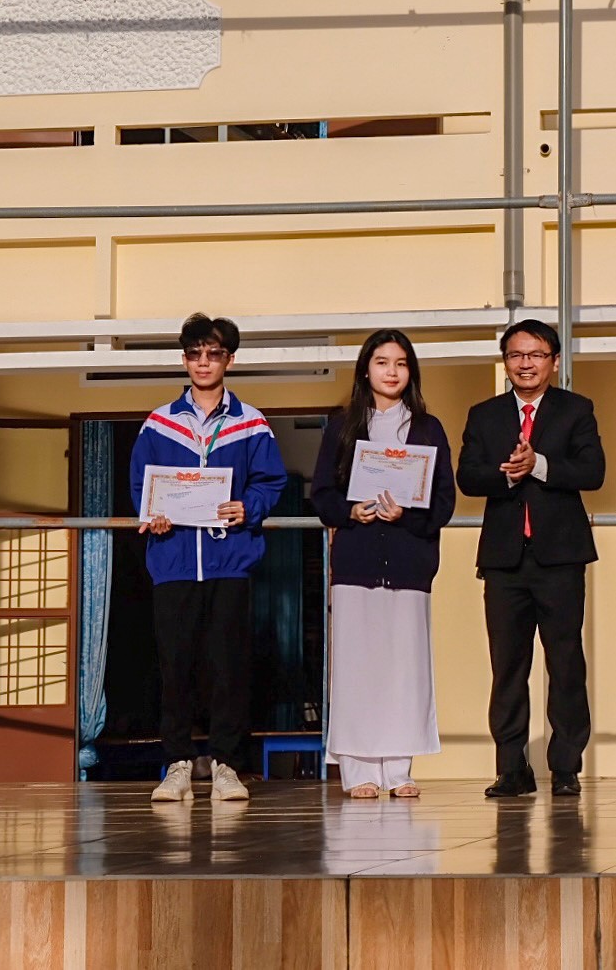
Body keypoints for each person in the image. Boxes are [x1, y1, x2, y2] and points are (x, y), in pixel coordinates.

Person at [131, 313, 287, 803]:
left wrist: (250, 506)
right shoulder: (159, 423)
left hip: (230, 561)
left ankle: (226, 765)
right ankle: (177, 765)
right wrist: (153, 514)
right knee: (174, 667)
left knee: (228, 668)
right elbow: (141, 485)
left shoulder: (251, 423)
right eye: (195, 354)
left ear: (229, 361)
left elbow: (271, 481)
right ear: (184, 360)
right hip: (173, 562)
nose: (204, 362)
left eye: (214, 354)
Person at [458, 319, 606, 798]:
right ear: (505, 362)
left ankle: (565, 767)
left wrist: (538, 464)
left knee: (565, 663)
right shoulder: (485, 415)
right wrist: (507, 473)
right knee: (507, 666)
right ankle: (511, 768)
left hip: (560, 557)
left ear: (554, 361)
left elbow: (593, 471)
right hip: (504, 560)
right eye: (516, 355)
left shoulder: (576, 409)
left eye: (536, 355)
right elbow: (467, 476)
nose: (526, 364)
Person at [311, 329, 457, 798]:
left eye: (400, 363)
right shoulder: (341, 426)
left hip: (409, 564)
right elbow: (322, 495)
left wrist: (406, 515)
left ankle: (399, 770)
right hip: (356, 562)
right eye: (381, 362)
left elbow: (444, 501)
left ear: (411, 371)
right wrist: (350, 511)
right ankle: (358, 771)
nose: (391, 372)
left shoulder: (428, 428)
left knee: (403, 667)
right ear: (365, 370)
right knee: (356, 667)